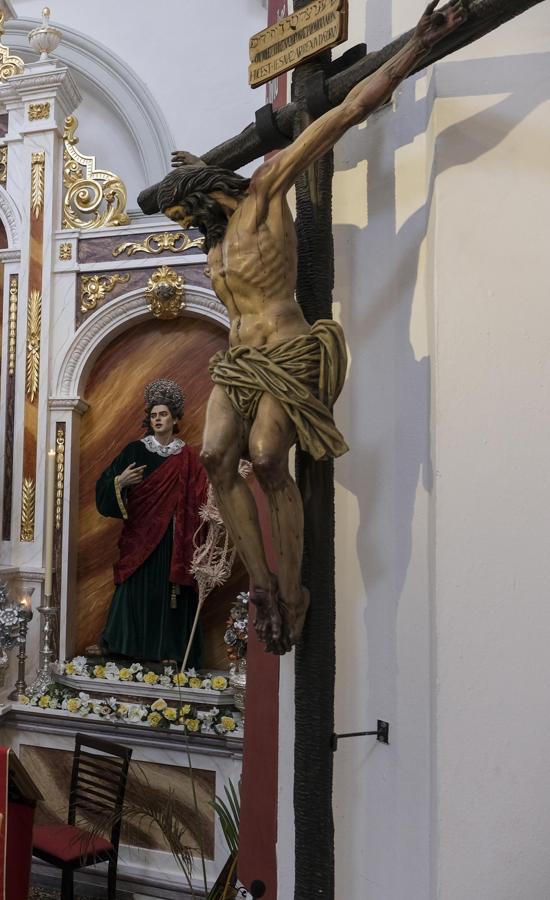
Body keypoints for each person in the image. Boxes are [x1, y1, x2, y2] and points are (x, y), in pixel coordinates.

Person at [147, 0, 467, 653]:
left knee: (266, 458)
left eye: (189, 210)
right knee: (213, 457)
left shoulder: (265, 190)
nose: (188, 225)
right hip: (238, 363)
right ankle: (261, 583)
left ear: (211, 191)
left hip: (287, 351)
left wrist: (415, 48)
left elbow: (343, 115)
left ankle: (291, 590)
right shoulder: (214, 246)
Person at [95, 380, 209, 667]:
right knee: (134, 588)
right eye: (154, 415)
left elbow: (205, 488)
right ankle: (122, 645)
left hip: (174, 536)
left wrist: (237, 473)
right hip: (140, 535)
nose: (157, 419)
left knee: (170, 593)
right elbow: (103, 485)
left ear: (175, 419)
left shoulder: (188, 456)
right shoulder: (135, 450)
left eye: (163, 414)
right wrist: (119, 482)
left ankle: (169, 650)